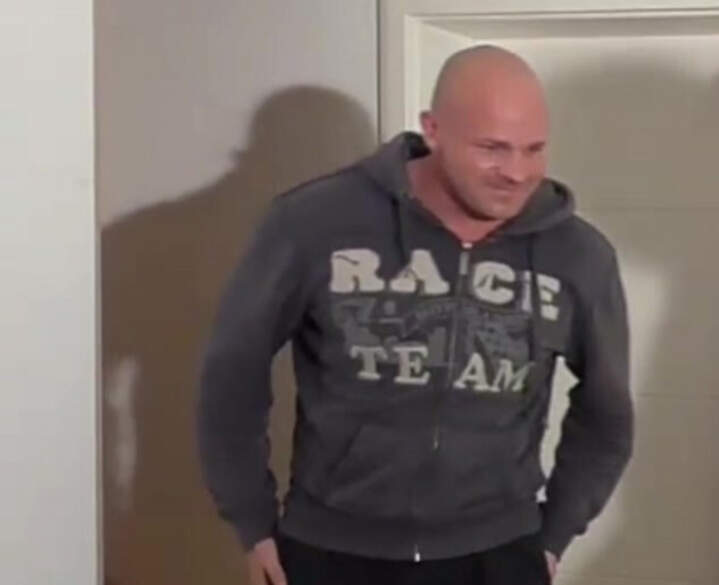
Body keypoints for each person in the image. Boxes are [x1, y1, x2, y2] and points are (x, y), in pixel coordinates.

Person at [197, 45, 633, 585]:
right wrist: (251, 519)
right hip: (330, 548)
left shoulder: (578, 255)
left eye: (534, 149)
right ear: (433, 130)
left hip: (499, 553)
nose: (517, 173)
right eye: (492, 148)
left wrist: (555, 532)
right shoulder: (313, 222)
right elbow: (232, 371)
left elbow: (607, 411)